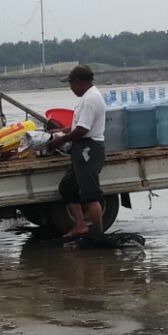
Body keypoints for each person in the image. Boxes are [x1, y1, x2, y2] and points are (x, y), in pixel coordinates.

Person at [53, 64, 108, 239]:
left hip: (89, 150)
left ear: (79, 82)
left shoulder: (91, 99)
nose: (70, 88)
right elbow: (79, 125)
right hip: (81, 148)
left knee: (90, 194)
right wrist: (59, 132)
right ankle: (81, 225)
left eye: (70, 84)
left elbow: (83, 130)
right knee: (67, 187)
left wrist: (60, 141)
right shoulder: (87, 97)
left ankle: (98, 234)